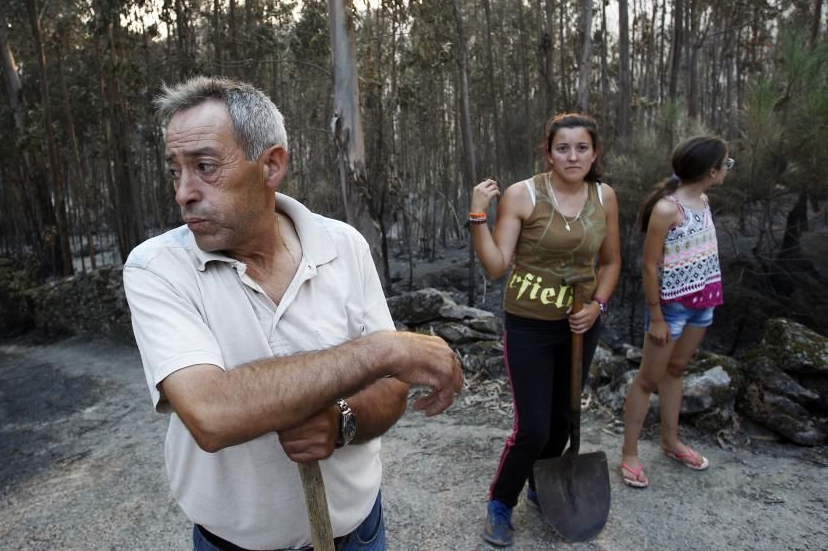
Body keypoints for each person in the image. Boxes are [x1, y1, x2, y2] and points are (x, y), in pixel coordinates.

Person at [123, 76, 464, 551]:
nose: (184, 192)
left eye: (204, 166)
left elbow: (391, 391)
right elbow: (211, 413)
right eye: (175, 171)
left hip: (360, 535)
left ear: (271, 165)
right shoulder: (157, 268)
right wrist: (381, 350)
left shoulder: (343, 245)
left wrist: (343, 420)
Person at [469, 113, 621, 547]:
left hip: (580, 324)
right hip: (530, 326)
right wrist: (479, 214)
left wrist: (597, 306)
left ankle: (544, 483)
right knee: (533, 427)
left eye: (582, 148)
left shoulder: (604, 196)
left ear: (595, 153)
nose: (573, 156)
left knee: (562, 420)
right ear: (548, 152)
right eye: (563, 148)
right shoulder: (523, 195)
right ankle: (501, 502)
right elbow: (497, 266)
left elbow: (611, 262)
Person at [619, 136, 731, 488]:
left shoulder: (703, 200)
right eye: (727, 164)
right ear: (711, 171)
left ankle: (670, 441)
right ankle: (629, 454)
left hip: (704, 303)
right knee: (647, 379)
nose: (728, 168)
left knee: (677, 369)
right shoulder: (668, 210)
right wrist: (656, 318)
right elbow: (649, 265)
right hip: (672, 307)